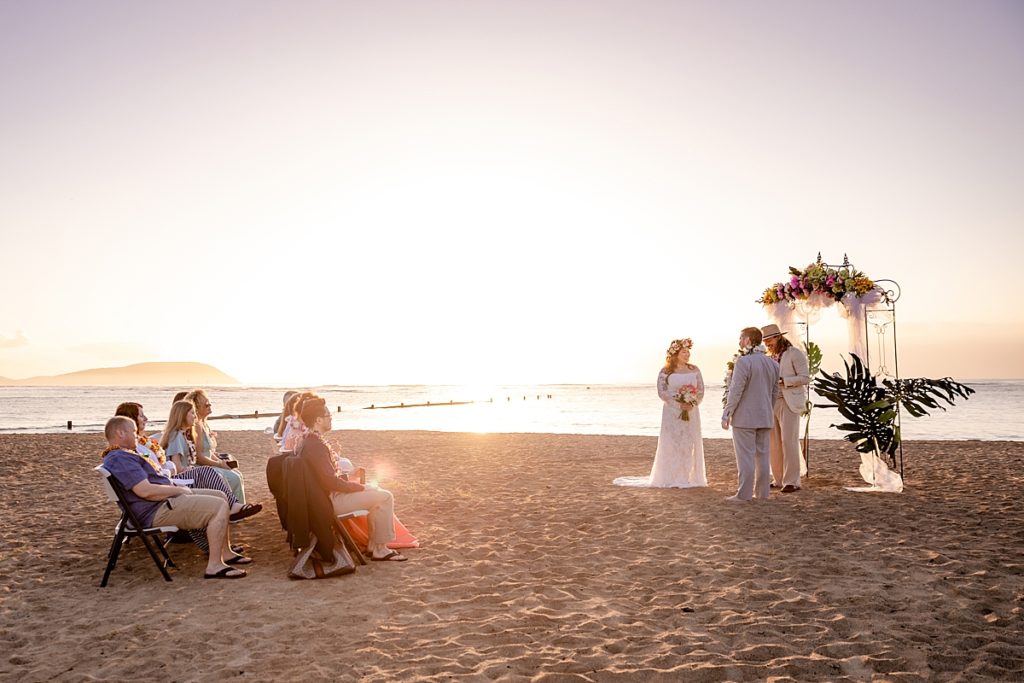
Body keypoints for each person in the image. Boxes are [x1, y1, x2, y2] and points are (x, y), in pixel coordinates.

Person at [101, 416, 249, 578]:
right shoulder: (120, 458)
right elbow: (145, 491)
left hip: (160, 504)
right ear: (120, 433)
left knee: (221, 496)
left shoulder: (122, 456)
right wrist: (177, 491)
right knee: (218, 506)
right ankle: (214, 565)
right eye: (134, 432)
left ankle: (225, 553)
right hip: (156, 510)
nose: (137, 436)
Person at [299, 396, 408, 561]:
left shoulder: (309, 441)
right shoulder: (316, 446)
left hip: (324, 498)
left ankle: (374, 546)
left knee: (376, 493)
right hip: (329, 502)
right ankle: (380, 549)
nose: (331, 419)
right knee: (385, 496)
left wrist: (349, 478)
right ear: (319, 420)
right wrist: (360, 487)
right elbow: (329, 482)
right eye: (329, 416)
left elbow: (325, 477)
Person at [115, 401, 260, 522]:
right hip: (162, 489)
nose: (146, 418)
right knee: (206, 473)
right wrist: (170, 471)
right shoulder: (129, 451)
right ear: (130, 420)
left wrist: (168, 468)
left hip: (165, 481)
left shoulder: (142, 443)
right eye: (141, 416)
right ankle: (232, 508)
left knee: (212, 480)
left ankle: (230, 510)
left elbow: (159, 468)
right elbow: (153, 476)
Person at [613, 338, 707, 488]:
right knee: (671, 443)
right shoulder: (665, 371)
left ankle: (686, 476)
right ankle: (670, 476)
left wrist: (692, 403)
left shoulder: (694, 369)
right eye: (684, 352)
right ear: (675, 353)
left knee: (689, 443)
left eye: (688, 352)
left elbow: (701, 390)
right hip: (672, 412)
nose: (687, 354)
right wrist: (678, 404)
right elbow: (662, 392)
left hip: (691, 412)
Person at [721, 327, 779, 502]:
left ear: (747, 340)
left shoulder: (743, 362)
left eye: (741, 338)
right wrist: (768, 410)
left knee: (745, 456)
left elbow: (736, 391)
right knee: (762, 456)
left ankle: (744, 494)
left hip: (745, 418)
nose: (739, 341)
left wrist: (727, 413)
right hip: (765, 416)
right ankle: (762, 494)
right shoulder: (773, 364)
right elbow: (774, 393)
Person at [762, 324, 811, 493]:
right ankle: (778, 478)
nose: (767, 343)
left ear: (778, 337)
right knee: (773, 442)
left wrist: (785, 381)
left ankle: (792, 481)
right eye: (765, 341)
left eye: (769, 340)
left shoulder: (794, 353)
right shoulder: (769, 356)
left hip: (789, 401)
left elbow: (805, 378)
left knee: (788, 441)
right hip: (771, 402)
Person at [182, 389, 247, 504]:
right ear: (197, 408)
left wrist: (222, 463)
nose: (210, 406)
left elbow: (209, 452)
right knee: (234, 478)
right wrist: (219, 464)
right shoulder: (197, 426)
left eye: (209, 403)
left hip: (209, 463)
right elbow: (199, 457)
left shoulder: (204, 424)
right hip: (201, 467)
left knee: (237, 474)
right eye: (206, 404)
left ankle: (238, 507)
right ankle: (235, 511)